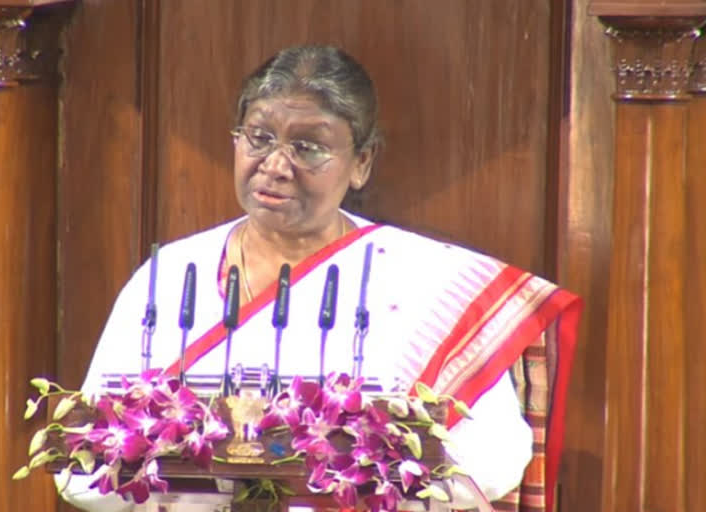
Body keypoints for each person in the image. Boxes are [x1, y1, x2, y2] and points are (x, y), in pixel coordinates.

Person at [59, 45, 581, 512]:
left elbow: (496, 458)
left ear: (362, 162)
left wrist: (349, 483)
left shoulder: (426, 281)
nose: (276, 165)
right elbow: (79, 464)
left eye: (308, 147)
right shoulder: (171, 274)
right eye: (259, 137)